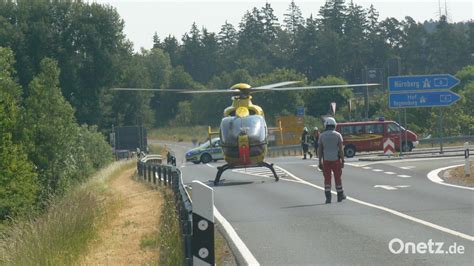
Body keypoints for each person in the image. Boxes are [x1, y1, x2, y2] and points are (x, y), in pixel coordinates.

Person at [318, 117, 346, 203]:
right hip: (336, 160)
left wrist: (320, 161)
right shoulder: (338, 135)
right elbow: (341, 149)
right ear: (334, 124)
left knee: (327, 178)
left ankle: (328, 198)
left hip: (326, 160)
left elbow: (320, 150)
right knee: (338, 178)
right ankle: (340, 196)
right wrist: (342, 160)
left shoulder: (322, 136)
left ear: (326, 125)